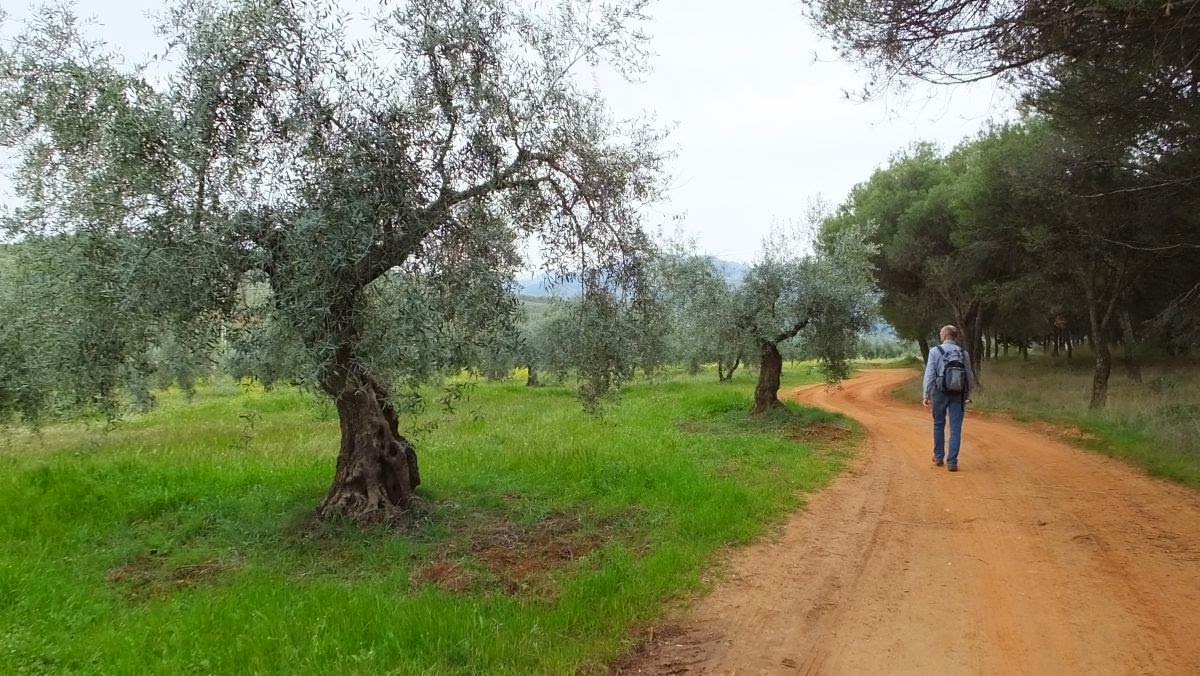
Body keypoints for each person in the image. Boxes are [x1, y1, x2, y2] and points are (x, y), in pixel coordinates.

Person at [921, 325, 976, 472]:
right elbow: (969, 376)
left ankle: (939, 456)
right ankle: (952, 462)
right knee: (955, 428)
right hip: (958, 394)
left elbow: (930, 375)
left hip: (939, 392)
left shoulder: (934, 351)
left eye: (940, 333)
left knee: (939, 424)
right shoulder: (963, 353)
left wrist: (926, 394)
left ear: (945, 335)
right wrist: (967, 394)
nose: (940, 335)